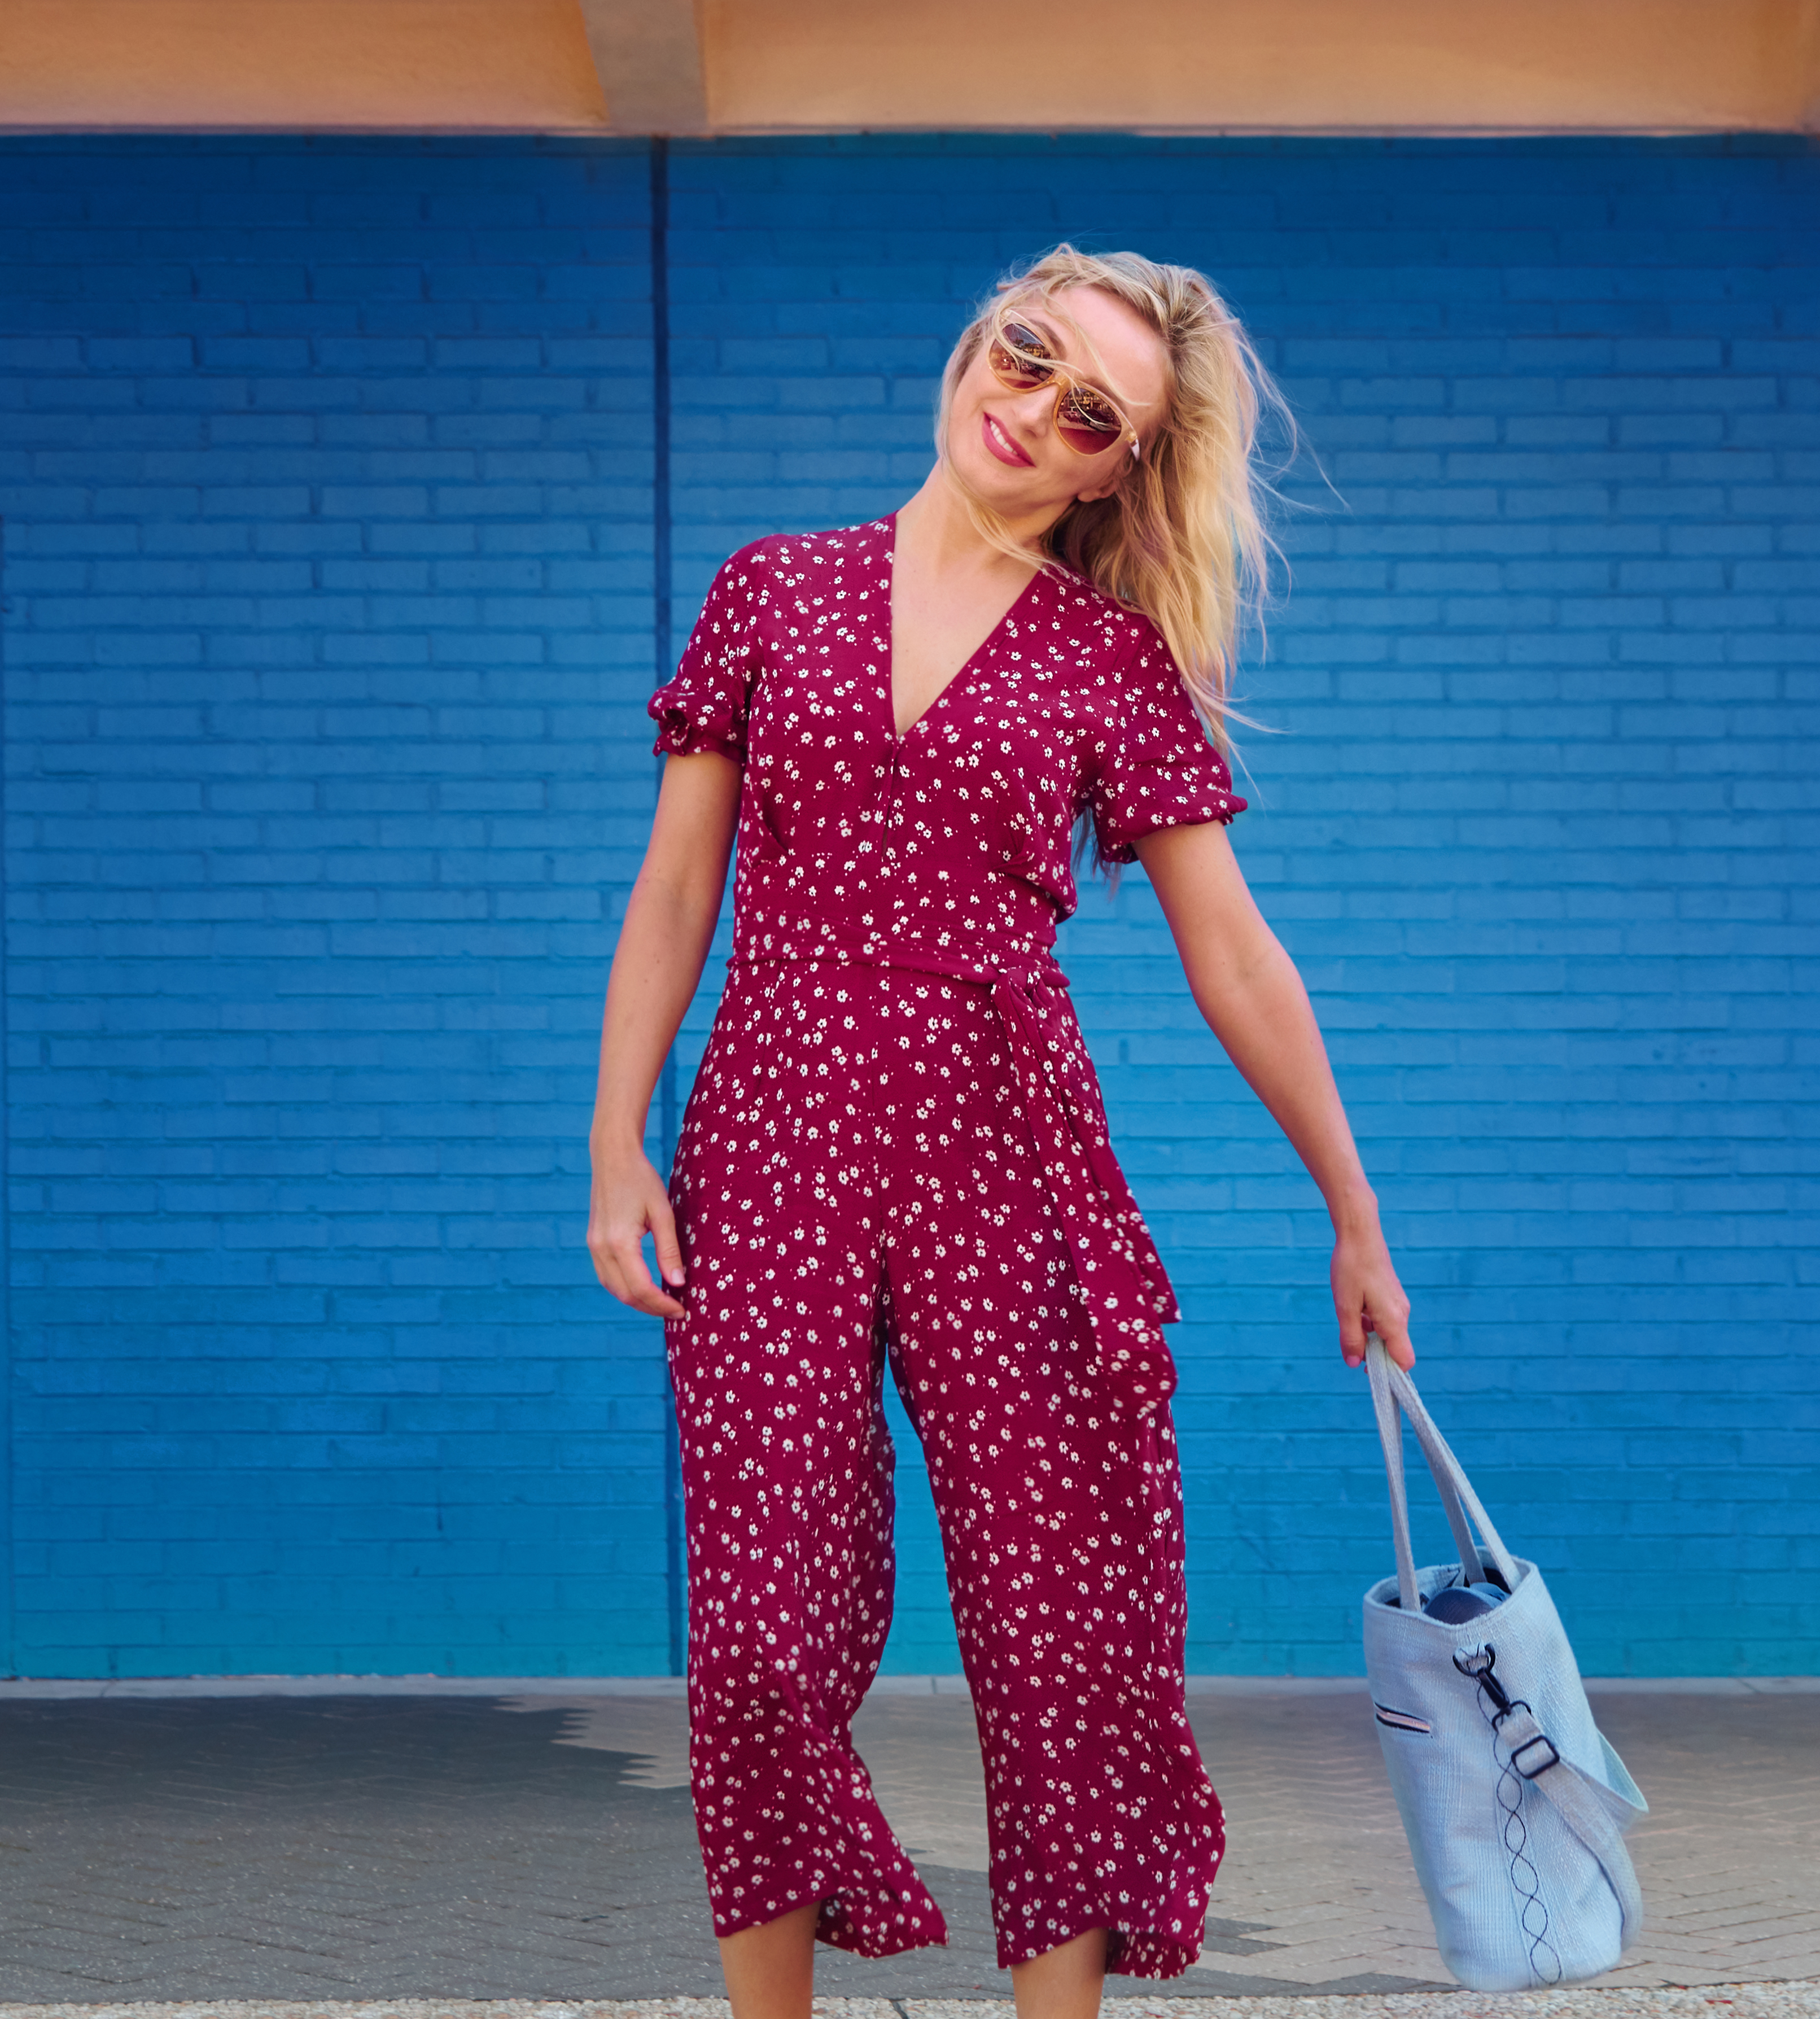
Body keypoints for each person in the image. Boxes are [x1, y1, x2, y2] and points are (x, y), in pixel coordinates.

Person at [583, 247, 1416, 2019]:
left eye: (1091, 414)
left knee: (1064, 1642)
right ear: (979, 336)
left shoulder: (1111, 660)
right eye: (1027, 357)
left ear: (1119, 471)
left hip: (1009, 1161)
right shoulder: (771, 589)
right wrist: (616, 1139)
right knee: (756, 1638)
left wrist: (1352, 1207)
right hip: (773, 1148)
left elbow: (1233, 952)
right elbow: (674, 889)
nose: (1035, 411)